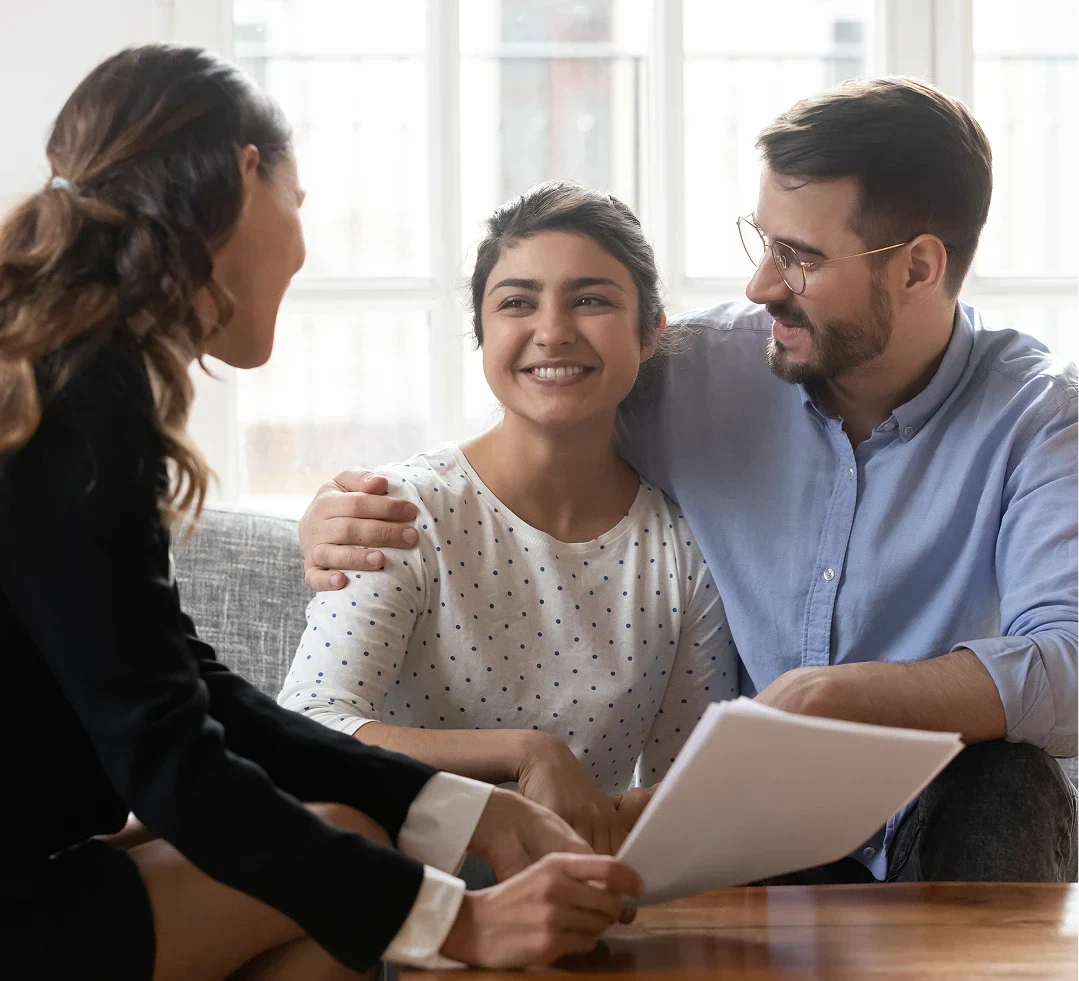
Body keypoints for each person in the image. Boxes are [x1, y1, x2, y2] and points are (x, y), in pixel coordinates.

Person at [299, 76, 1079, 884]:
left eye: (800, 258)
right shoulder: (693, 373)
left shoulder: (1038, 418)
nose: (761, 284)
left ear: (918, 267)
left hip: (937, 807)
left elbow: (1071, 661)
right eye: (762, 241)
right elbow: (542, 405)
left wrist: (835, 697)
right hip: (751, 826)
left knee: (1009, 780)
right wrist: (335, 508)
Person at [0, 44, 642, 981]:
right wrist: (465, 925)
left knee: (349, 834)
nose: (303, 246)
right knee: (354, 861)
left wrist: (467, 808)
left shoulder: (61, 363)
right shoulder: (77, 397)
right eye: (300, 207)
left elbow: (198, 692)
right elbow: (167, 753)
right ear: (246, 175)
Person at [277, 182, 739, 860]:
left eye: (591, 299)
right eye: (517, 302)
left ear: (649, 335)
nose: (551, 330)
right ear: (483, 334)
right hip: (383, 882)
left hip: (577, 894)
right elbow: (306, 727)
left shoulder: (682, 550)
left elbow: (679, 787)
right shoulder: (404, 511)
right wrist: (523, 754)